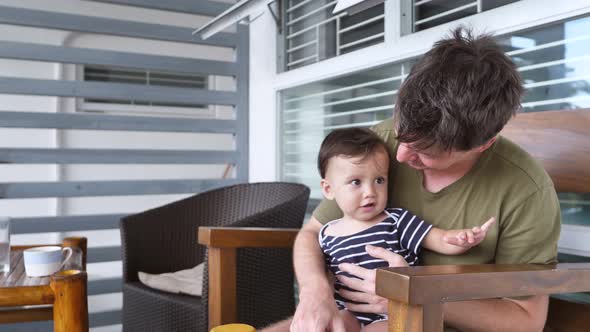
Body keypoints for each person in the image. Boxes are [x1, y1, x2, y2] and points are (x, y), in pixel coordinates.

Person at [263, 27, 560, 332]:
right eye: (401, 134)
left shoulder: (526, 191)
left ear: (482, 145)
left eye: (423, 151)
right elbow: (313, 234)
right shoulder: (380, 143)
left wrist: (413, 297)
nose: (401, 156)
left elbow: (526, 320)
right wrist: (315, 293)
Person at [315, 127, 495, 331]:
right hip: (349, 310)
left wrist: (461, 239)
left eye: (379, 180)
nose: (370, 192)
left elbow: (439, 239)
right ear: (328, 189)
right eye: (356, 182)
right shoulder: (326, 234)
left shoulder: (396, 220)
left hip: (393, 314)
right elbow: (324, 276)